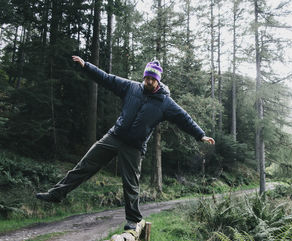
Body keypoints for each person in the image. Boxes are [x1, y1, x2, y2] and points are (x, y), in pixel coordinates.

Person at [36, 55, 215, 230]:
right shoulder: (132, 87)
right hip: (115, 136)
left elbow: (184, 118)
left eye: (152, 79)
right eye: (146, 78)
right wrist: (87, 66)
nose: (148, 81)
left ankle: (133, 220)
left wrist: (200, 135)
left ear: (158, 81)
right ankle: (56, 194)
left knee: (131, 184)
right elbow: (107, 79)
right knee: (84, 165)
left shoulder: (165, 103)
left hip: (134, 147)